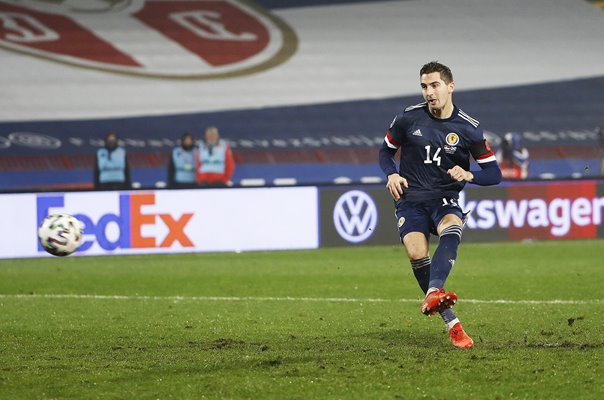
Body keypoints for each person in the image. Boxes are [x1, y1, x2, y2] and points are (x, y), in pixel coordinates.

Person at [378, 61, 502, 349]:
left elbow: (494, 173)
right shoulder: (407, 119)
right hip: (410, 199)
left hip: (444, 197)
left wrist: (470, 174)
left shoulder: (468, 129)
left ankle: (434, 290)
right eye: (424, 86)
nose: (429, 92)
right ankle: (453, 324)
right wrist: (392, 173)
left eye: (434, 85)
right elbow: (385, 152)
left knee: (452, 225)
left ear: (450, 86)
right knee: (416, 252)